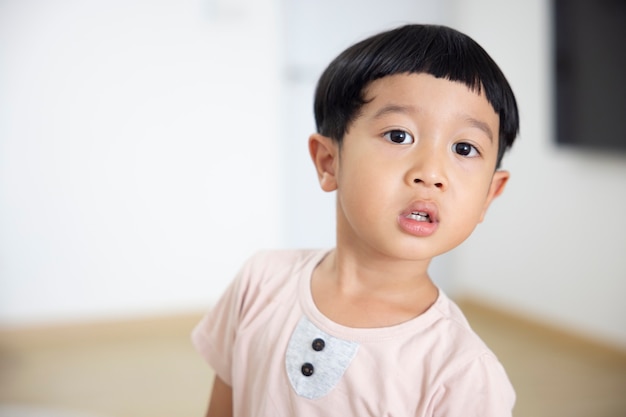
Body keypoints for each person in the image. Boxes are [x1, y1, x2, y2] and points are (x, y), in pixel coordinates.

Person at [192, 23, 519, 417]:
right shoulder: (260, 282)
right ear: (329, 162)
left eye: (464, 148)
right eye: (399, 136)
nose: (431, 172)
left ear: (489, 195)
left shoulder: (464, 372)